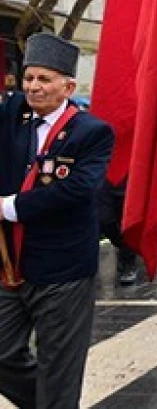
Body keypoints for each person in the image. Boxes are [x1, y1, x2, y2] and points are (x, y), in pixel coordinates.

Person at [0, 33, 114, 408]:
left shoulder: (92, 132)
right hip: (9, 266)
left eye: (44, 79)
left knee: (59, 370)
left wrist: (10, 207)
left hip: (63, 270)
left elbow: (77, 190)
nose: (34, 86)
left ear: (67, 85)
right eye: (29, 78)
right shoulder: (13, 115)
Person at [98, 178, 141, 285]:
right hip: (105, 180)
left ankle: (129, 263)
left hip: (130, 180)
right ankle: (124, 247)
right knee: (104, 221)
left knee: (128, 225)